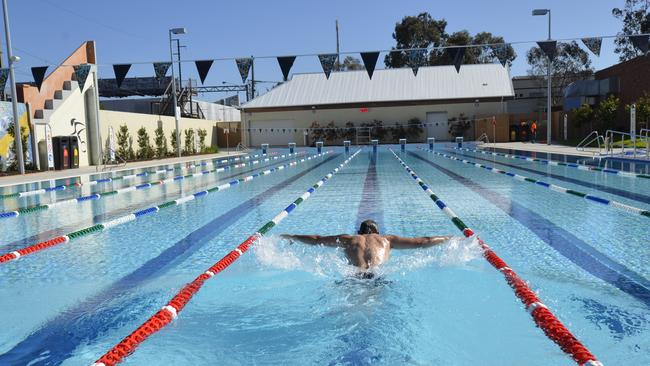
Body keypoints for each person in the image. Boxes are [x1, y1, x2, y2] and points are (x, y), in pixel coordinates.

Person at [282, 220, 452, 276]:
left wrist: (293, 237)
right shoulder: (386, 239)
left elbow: (316, 239)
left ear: (359, 232)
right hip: (377, 277)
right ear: (378, 232)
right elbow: (423, 242)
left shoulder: (348, 239)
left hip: (353, 278)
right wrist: (449, 238)